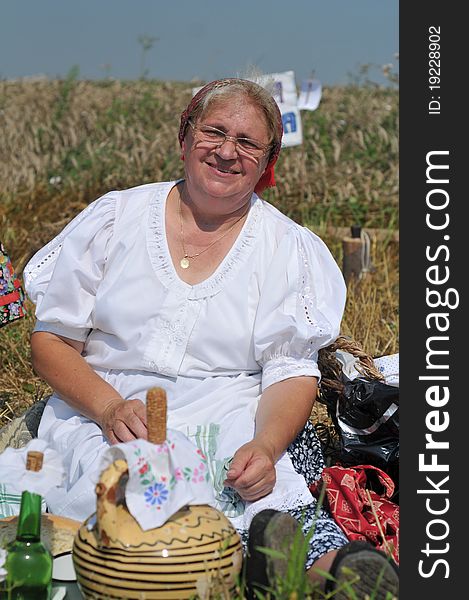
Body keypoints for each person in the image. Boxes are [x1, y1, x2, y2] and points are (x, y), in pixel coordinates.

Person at [23, 78, 398, 596]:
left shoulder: (286, 247)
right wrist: (108, 408)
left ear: (267, 161)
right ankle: (240, 572)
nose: (226, 152)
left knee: (264, 493)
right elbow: (52, 341)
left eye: (247, 143)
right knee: (128, 500)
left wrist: (266, 445)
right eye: (214, 132)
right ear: (184, 138)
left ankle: (325, 576)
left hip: (232, 409)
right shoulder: (117, 219)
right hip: (109, 408)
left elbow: (289, 371)